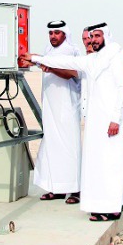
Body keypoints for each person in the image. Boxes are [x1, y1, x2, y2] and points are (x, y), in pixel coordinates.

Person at [21, 22, 123, 222]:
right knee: (97, 166)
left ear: (106, 36)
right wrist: (36, 58)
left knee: (112, 165)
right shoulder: (93, 61)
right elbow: (69, 63)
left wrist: (115, 119)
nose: (93, 41)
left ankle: (114, 208)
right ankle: (101, 206)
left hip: (114, 123)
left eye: (97, 36)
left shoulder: (117, 56)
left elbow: (122, 89)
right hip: (97, 124)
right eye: (91, 37)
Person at [33, 20, 83, 203]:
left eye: (57, 33)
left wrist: (46, 65)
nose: (53, 36)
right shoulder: (49, 51)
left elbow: (70, 72)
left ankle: (76, 189)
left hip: (67, 107)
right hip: (50, 108)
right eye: (51, 33)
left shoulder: (70, 50)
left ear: (64, 34)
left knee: (70, 146)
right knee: (52, 145)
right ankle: (57, 188)